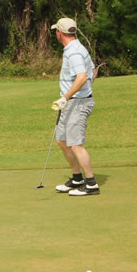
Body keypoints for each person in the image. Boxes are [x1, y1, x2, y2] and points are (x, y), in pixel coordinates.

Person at [51, 17, 99, 196]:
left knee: (76, 144)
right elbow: (93, 72)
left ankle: (91, 183)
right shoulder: (74, 48)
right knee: (62, 141)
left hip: (77, 103)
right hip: (72, 102)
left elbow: (82, 77)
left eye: (56, 31)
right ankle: (77, 178)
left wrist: (67, 96)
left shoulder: (74, 52)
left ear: (60, 33)